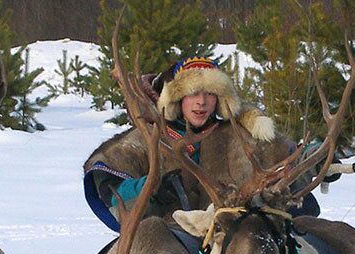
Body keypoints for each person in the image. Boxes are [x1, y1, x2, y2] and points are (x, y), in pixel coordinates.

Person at [83, 56, 328, 232]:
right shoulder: (147, 138)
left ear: (220, 99)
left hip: (235, 237)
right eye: (192, 94)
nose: (201, 102)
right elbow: (109, 186)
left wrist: (317, 157)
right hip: (171, 239)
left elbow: (288, 158)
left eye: (209, 94)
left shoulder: (239, 136)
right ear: (177, 98)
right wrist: (151, 187)